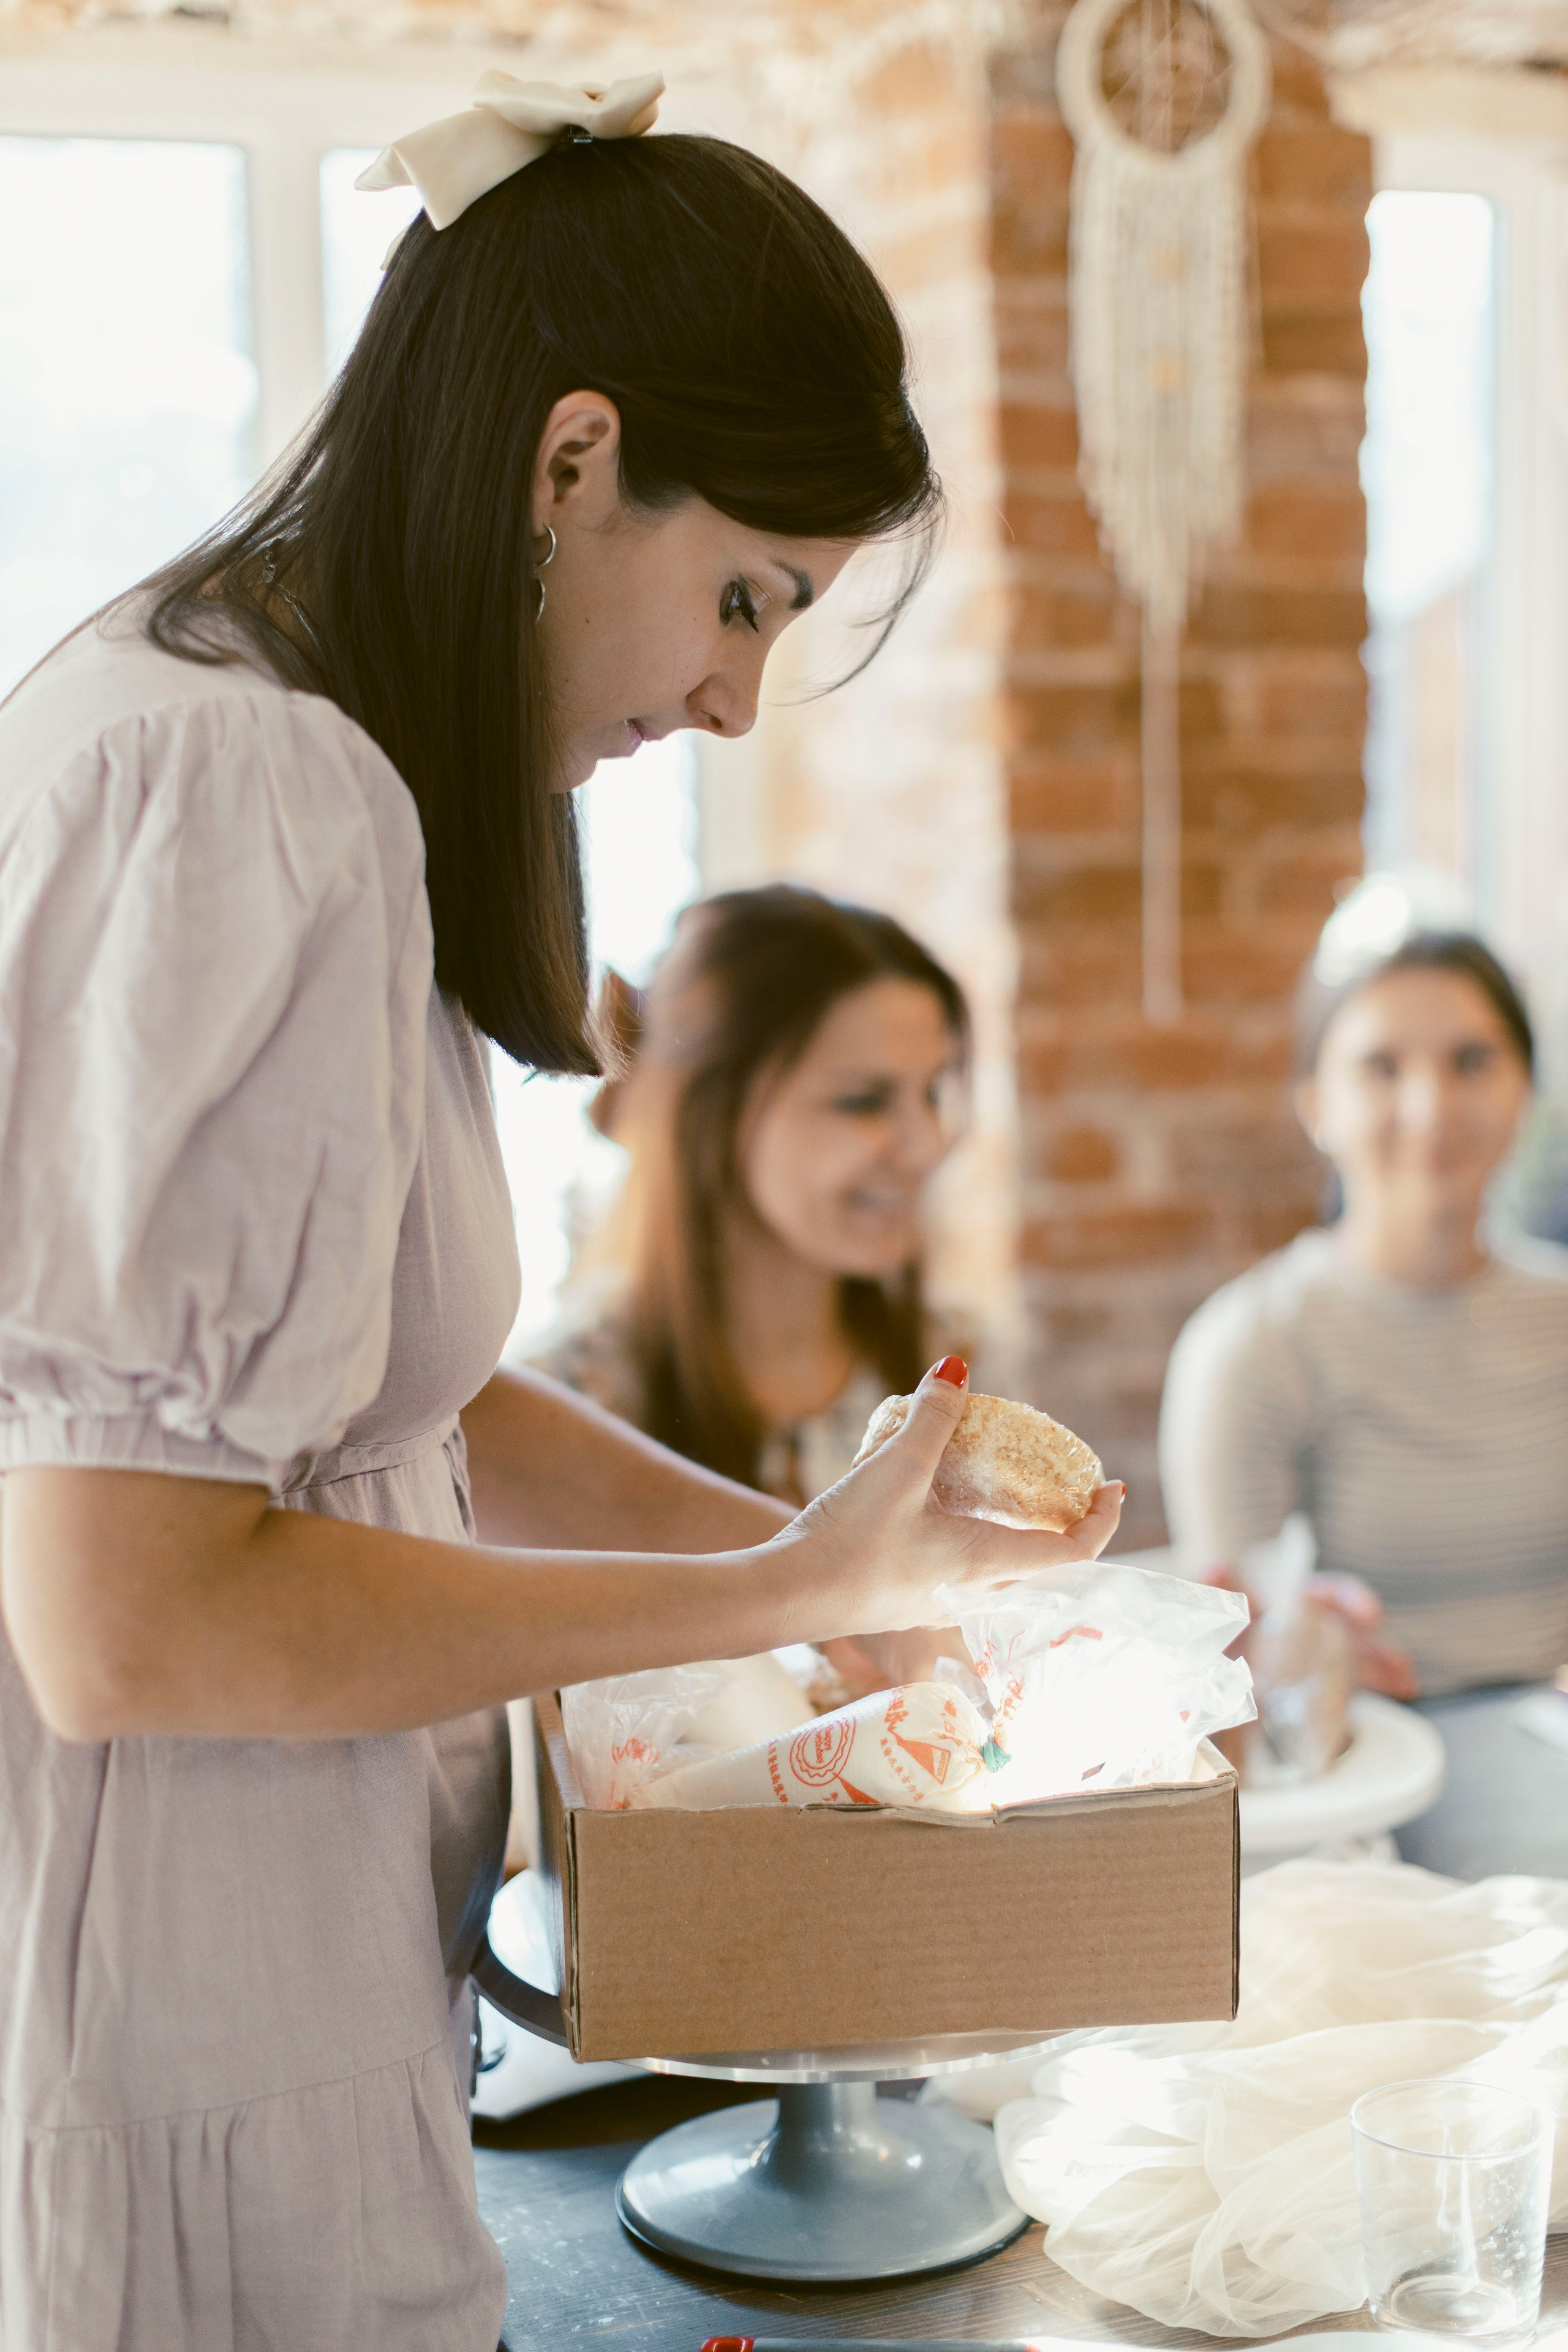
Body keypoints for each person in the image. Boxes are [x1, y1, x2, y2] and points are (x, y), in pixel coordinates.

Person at [0, 79, 1122, 2352]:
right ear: (565, 458)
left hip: (291, 1990)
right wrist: (782, 1578)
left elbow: (389, 1410)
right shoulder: (252, 784)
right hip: (192, 2048)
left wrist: (813, 1587)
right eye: (738, 598)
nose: (725, 695)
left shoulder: (269, 732)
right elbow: (125, 1615)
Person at [1159, 925, 1568, 1872]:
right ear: (1315, 1102)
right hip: (1363, 1779)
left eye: (1473, 1062)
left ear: (1525, 1090)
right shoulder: (1256, 1346)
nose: (1430, 1105)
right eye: (1381, 1067)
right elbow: (1233, 1680)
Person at [532, 885, 979, 1509]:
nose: (926, 1145)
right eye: (861, 1100)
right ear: (709, 1118)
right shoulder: (563, 1406)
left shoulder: (960, 1364)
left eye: (931, 1093)